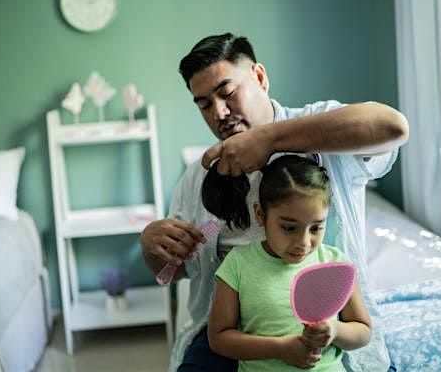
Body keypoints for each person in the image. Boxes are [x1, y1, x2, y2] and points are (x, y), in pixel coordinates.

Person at [140, 33, 409, 371]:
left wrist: (268, 139)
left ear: (260, 78)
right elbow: (173, 273)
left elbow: (393, 127)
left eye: (227, 93)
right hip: (234, 336)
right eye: (205, 104)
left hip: (324, 326)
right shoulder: (199, 178)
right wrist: (152, 248)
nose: (220, 113)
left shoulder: (321, 128)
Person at [205, 154, 371, 371]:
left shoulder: (335, 263)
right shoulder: (238, 264)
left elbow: (363, 332)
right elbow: (219, 338)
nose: (303, 243)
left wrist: (335, 331)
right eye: (289, 228)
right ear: (260, 215)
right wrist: (279, 348)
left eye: (316, 228)